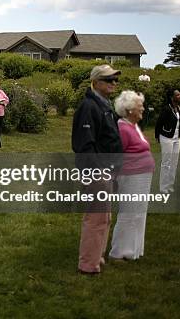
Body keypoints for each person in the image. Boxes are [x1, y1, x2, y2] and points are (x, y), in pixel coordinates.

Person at [71, 64, 123, 274]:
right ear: (96, 82)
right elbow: (85, 145)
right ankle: (88, 265)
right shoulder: (88, 107)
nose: (114, 84)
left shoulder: (104, 105)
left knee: (104, 217)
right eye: (109, 80)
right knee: (96, 217)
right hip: (97, 171)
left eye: (115, 80)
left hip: (107, 169)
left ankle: (97, 257)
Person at [109, 91, 155, 261]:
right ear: (129, 110)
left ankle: (134, 249)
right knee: (129, 213)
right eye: (139, 105)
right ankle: (119, 252)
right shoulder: (123, 128)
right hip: (131, 177)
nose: (142, 108)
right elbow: (117, 155)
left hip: (141, 176)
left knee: (139, 213)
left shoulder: (133, 126)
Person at [155, 88, 180, 194]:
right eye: (177, 95)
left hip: (177, 138)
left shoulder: (179, 108)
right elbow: (159, 123)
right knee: (166, 162)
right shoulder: (166, 109)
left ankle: (170, 185)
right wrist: (158, 136)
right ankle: (163, 187)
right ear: (172, 97)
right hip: (166, 138)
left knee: (174, 163)